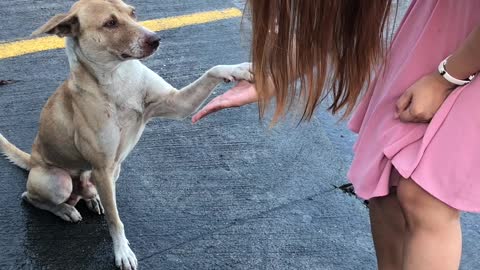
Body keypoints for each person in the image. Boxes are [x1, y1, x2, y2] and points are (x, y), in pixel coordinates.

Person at [192, 1, 480, 269]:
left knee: (425, 197)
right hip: (445, 23)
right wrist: (278, 74)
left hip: (465, 56)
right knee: (386, 185)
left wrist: (447, 78)